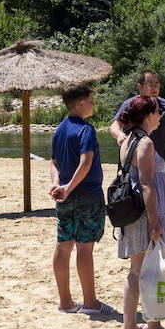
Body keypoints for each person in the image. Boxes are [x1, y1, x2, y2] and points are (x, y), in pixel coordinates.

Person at [115, 95, 165, 329]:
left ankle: (129, 326)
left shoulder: (127, 140)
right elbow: (146, 184)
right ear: (146, 115)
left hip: (131, 211)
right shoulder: (145, 143)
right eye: (156, 112)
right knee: (152, 271)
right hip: (145, 214)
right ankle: (154, 327)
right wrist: (154, 223)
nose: (160, 116)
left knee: (135, 271)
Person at [48, 84, 114, 316]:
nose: (94, 104)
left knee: (64, 244)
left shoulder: (59, 130)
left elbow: (53, 163)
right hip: (86, 195)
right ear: (80, 103)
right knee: (85, 249)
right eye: (91, 99)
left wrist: (58, 184)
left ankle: (65, 302)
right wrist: (66, 187)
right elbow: (85, 163)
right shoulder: (86, 129)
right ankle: (90, 303)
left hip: (65, 196)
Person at [110, 70, 165, 177]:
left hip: (160, 167)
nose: (154, 88)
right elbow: (115, 126)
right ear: (139, 86)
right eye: (150, 84)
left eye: (157, 84)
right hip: (134, 167)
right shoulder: (131, 105)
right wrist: (119, 134)